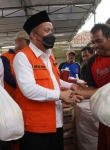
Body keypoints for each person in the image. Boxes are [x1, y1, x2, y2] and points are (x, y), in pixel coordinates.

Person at [13, 10, 83, 150]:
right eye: (47, 30)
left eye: (52, 30)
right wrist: (60, 95)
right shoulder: (23, 57)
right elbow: (29, 90)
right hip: (35, 126)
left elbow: (54, 80)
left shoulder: (49, 56)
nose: (51, 34)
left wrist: (70, 85)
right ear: (34, 35)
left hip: (56, 121)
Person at [71, 23, 110, 150]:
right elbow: (92, 88)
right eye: (93, 42)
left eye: (99, 41)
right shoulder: (92, 62)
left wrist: (87, 93)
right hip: (106, 113)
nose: (95, 46)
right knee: (107, 144)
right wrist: (81, 90)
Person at [1, 31, 30, 100]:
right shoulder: (5, 57)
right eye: (27, 42)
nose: (29, 45)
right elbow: (7, 76)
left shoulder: (27, 57)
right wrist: (24, 86)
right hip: (11, 97)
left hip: (25, 96)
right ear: (18, 41)